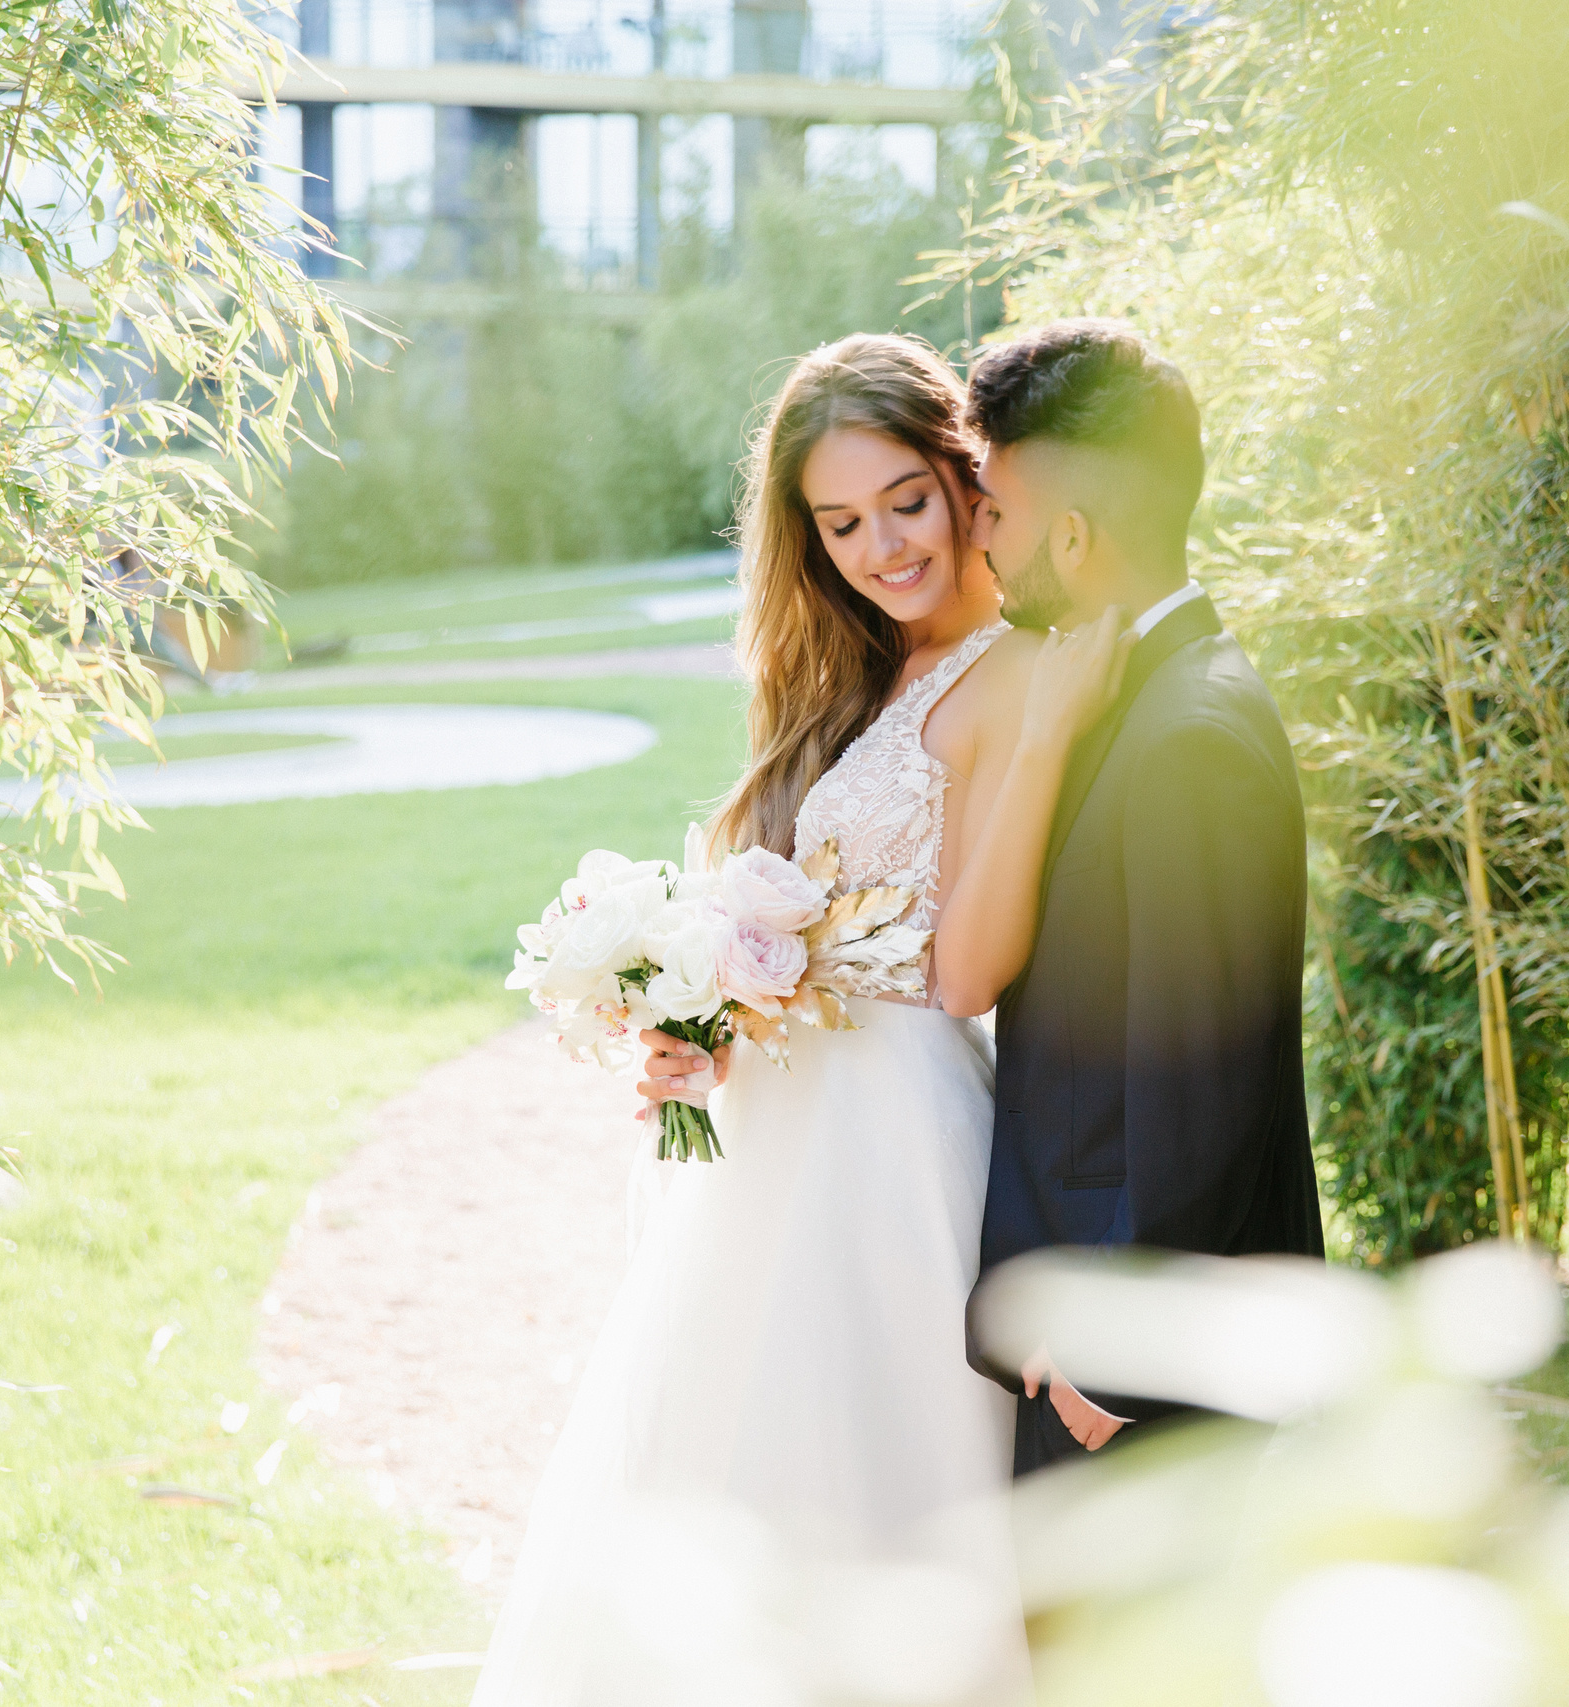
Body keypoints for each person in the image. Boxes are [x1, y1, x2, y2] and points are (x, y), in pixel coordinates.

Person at [470, 333, 1129, 1706]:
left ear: (963, 478)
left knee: (868, 1487)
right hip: (775, 1143)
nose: (883, 543)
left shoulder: (1015, 674)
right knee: (735, 1477)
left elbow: (966, 971)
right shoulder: (853, 682)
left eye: (906, 498)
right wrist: (694, 1024)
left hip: (895, 1150)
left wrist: (1051, 736)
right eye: (840, 522)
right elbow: (813, 921)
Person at [962, 319, 1323, 1477]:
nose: (982, 543)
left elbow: (1207, 1095)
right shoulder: (1135, 692)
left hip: (1140, 1382)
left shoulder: (1191, 737)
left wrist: (1112, 1374)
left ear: (1072, 534)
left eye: (999, 516)